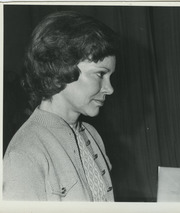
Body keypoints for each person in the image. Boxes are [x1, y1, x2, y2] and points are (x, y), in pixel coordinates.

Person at [3, 11, 119, 201]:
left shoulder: (92, 134)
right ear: (60, 67)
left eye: (110, 77)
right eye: (100, 74)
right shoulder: (24, 154)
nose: (110, 89)